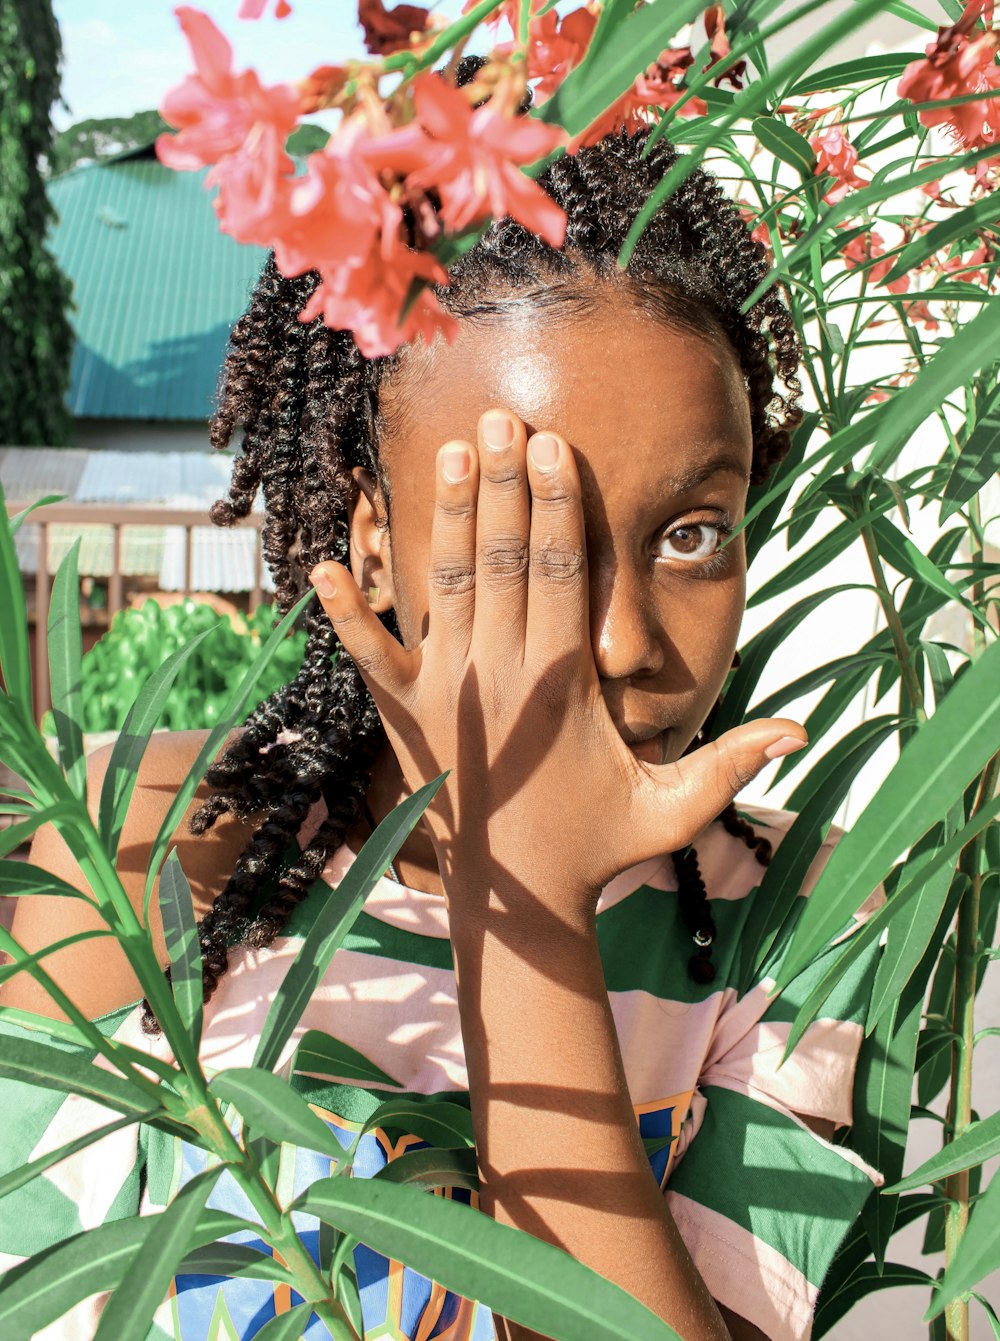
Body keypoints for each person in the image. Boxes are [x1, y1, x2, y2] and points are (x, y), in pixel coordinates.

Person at [0, 99, 886, 1341]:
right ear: (373, 546)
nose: (626, 641)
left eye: (694, 535)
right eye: (533, 544)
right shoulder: (155, 846)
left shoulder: (796, 924)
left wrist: (522, 898)